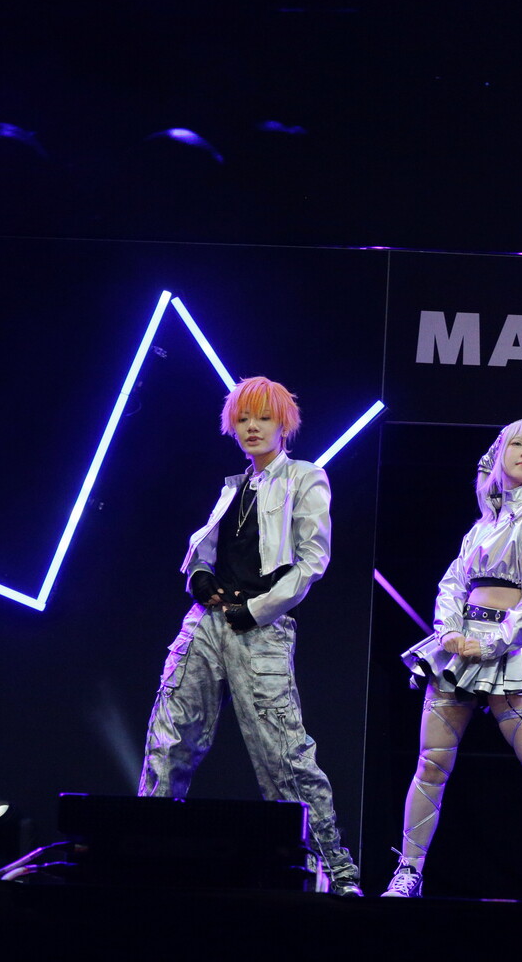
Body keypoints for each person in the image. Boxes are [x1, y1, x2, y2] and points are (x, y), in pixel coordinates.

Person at [138, 376, 361, 895]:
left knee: (284, 756)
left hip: (260, 629)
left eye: (263, 417)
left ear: (284, 423)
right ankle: (143, 854)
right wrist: (199, 576)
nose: (252, 427)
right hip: (205, 623)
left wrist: (256, 610)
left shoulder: (305, 477)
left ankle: (334, 873)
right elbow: (204, 550)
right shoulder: (234, 486)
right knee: (169, 737)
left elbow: (312, 560)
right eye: (243, 418)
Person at [382, 420, 522, 904]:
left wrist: (493, 644)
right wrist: (449, 631)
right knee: (431, 765)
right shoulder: (482, 525)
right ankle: (408, 871)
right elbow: (451, 584)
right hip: (459, 648)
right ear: (499, 453)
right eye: (517, 444)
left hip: (510, 649)